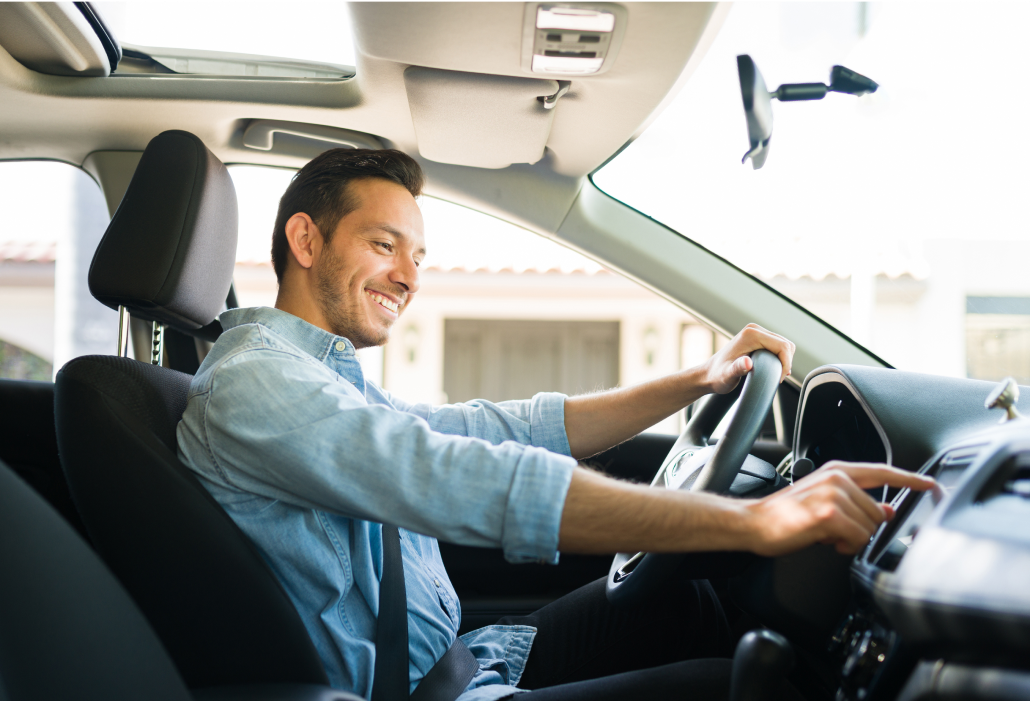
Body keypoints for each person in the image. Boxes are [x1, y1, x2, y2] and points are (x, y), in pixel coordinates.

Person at [176, 149, 933, 701]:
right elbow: (459, 477)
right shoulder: (256, 383)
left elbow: (491, 431)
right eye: (382, 244)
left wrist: (697, 381)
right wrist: (753, 519)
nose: (408, 275)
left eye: (417, 254)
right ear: (306, 241)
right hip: (420, 693)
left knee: (688, 604)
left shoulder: (315, 373)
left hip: (465, 660)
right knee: (737, 688)